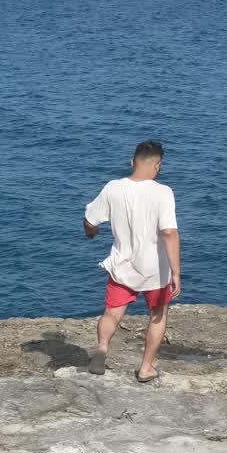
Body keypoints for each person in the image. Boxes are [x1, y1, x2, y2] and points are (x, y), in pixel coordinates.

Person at [83, 141, 182, 382]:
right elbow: (169, 232)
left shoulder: (113, 188)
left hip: (122, 265)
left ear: (132, 162)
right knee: (158, 314)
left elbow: (90, 220)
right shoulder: (163, 192)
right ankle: (146, 368)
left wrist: (91, 232)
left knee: (112, 313)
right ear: (158, 165)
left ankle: (103, 346)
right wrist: (176, 272)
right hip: (154, 270)